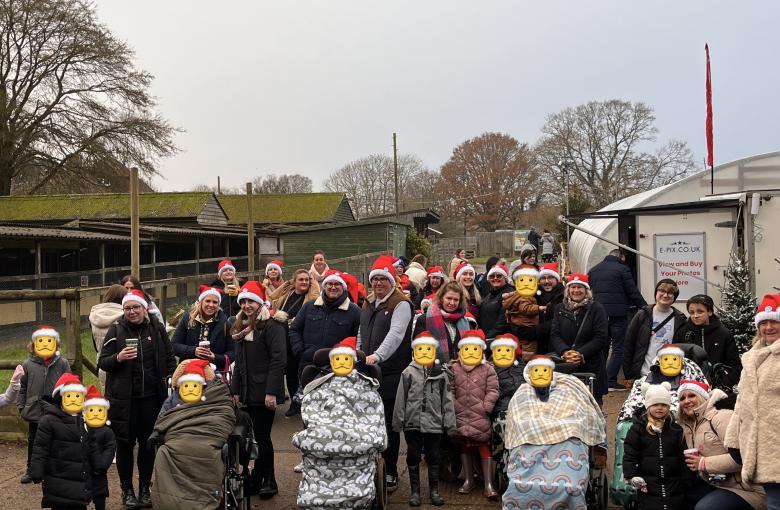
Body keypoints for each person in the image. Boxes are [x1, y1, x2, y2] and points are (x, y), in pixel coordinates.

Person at [98, 289, 176, 508]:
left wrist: (172, 378)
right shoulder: (116, 329)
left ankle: (144, 488)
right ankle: (127, 490)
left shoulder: (157, 328)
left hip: (151, 397)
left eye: (135, 307)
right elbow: (102, 362)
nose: (131, 312)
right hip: (124, 399)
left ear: (144, 308)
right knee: (124, 444)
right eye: (127, 308)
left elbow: (170, 358)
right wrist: (118, 357)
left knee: (147, 445)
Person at [359, 255, 414, 494]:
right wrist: (359, 355)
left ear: (392, 281)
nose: (379, 283)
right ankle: (372, 466)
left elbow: (396, 335)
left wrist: (377, 356)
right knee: (370, 421)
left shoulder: (400, 304)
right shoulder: (369, 303)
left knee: (389, 423)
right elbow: (362, 332)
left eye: (383, 279)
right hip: (368, 371)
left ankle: (390, 470)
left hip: (390, 372)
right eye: (375, 279)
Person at [230, 280, 286, 499]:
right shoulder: (241, 326)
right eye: (243, 301)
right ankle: (259, 477)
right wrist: (235, 389)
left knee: (263, 437)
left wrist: (272, 391)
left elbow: (278, 360)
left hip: (264, 391)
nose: (246, 305)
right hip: (247, 390)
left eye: (250, 301)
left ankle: (267, 479)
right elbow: (238, 362)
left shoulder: (272, 326)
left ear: (259, 302)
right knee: (253, 437)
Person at [725, 294, 780, 509]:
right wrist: (733, 440)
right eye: (764, 322)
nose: (768, 327)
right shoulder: (751, 357)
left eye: (774, 321)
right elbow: (742, 402)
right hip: (762, 448)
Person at [677, 380, 766, 510]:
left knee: (704, 508)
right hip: (718, 484)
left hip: (746, 489)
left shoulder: (721, 417)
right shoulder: (689, 425)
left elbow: (743, 458)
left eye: (692, 395)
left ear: (702, 397)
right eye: (682, 398)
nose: (686, 401)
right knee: (680, 499)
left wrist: (703, 463)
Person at [393, 332, 456, 506]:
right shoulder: (408, 373)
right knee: (413, 456)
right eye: (420, 349)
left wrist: (449, 422)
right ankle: (415, 492)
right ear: (415, 351)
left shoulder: (441, 374)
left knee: (433, 456)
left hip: (434, 422)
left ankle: (434, 491)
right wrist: (398, 421)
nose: (424, 352)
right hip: (412, 422)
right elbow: (401, 398)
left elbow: (447, 400)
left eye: (428, 349)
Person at [29, 373, 92, 510]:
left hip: (79, 479)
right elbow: (40, 448)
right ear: (60, 398)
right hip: (57, 477)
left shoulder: (84, 420)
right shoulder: (48, 421)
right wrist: (36, 470)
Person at [588, 249, 648, 391]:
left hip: (599, 315)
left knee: (602, 346)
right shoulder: (622, 269)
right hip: (618, 314)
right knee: (618, 347)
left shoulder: (594, 269)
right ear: (621, 257)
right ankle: (610, 381)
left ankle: (599, 379)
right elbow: (632, 291)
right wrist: (645, 308)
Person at [450, 329, 499, 500]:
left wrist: (487, 406)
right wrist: (455, 406)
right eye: (467, 348)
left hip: (480, 414)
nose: (471, 352)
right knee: (464, 443)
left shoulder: (487, 369)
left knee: (483, 444)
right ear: (461, 350)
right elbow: (449, 390)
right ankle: (469, 479)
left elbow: (493, 389)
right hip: (460, 413)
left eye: (475, 349)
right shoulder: (454, 368)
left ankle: (488, 484)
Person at [18, 326, 71, 484]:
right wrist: (22, 407)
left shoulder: (62, 363)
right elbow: (22, 388)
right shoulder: (27, 365)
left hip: (55, 409)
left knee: (57, 439)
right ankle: (31, 469)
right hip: (35, 410)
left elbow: (69, 385)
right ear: (33, 345)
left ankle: (57, 469)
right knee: (34, 440)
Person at [623, 382, 687, 510]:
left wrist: (686, 480)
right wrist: (631, 475)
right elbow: (630, 454)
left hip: (674, 484)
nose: (660, 408)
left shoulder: (675, 429)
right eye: (655, 404)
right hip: (648, 484)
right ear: (648, 406)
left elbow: (682, 455)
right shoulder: (638, 429)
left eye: (664, 405)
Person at [290, 269, 361, 381]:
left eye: (337, 284)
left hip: (338, 368)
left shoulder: (354, 311)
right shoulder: (309, 306)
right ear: (324, 286)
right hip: (309, 365)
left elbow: (359, 338)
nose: (333, 287)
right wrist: (300, 351)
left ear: (343, 287)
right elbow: (294, 329)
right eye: (330, 284)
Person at [268, 268, 320, 417]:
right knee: (290, 371)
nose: (304, 282)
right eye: (301, 279)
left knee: (303, 371)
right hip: (284, 336)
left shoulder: (312, 297)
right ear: (294, 282)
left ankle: (306, 402)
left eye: (306, 280)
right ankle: (294, 403)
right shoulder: (288, 294)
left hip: (302, 338)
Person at [549, 273, 609, 403]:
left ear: (586, 290)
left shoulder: (596, 308)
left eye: (580, 287)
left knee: (593, 404)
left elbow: (601, 336)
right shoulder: (559, 308)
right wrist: (565, 352)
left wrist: (580, 354)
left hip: (591, 364)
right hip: (566, 366)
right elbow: (555, 334)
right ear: (568, 290)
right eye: (573, 287)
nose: (576, 290)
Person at [623, 279, 686, 384]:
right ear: (656, 293)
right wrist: (628, 374)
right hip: (644, 374)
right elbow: (629, 343)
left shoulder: (680, 319)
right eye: (662, 291)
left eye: (670, 292)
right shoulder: (643, 315)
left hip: (670, 375)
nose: (665, 295)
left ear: (674, 297)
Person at [673, 294, 742, 387]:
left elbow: (735, 366)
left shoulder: (723, 333)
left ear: (709, 312)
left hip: (718, 390)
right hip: (689, 389)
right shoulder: (682, 333)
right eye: (691, 312)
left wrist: (722, 385)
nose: (695, 316)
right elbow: (674, 362)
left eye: (700, 311)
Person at [412, 281, 477, 363]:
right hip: (434, 372)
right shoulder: (424, 320)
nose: (452, 303)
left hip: (460, 371)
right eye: (449, 298)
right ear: (442, 298)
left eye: (456, 300)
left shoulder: (466, 322)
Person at [170, 285, 233, 370]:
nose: (211, 305)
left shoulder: (225, 324)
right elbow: (174, 346)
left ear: (218, 304)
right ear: (201, 302)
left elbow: (233, 353)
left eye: (215, 302)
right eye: (207, 301)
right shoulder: (187, 320)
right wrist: (193, 351)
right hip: (189, 371)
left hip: (215, 373)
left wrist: (215, 357)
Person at [83, 384, 117, 510]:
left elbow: (110, 449)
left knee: (99, 498)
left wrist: (102, 465)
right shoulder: (81, 429)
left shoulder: (107, 432)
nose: (96, 414)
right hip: (83, 471)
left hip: (99, 472)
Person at [535, 262, 565, 355]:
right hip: (536, 345)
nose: (546, 281)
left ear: (557, 279)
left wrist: (533, 331)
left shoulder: (564, 296)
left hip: (557, 346)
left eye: (550, 278)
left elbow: (559, 322)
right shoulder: (533, 296)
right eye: (543, 278)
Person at [479, 263, 513, 339]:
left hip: (499, 340)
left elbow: (503, 323)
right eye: (492, 276)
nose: (495, 278)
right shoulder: (490, 294)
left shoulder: (509, 294)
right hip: (486, 338)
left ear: (505, 278)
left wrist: (487, 338)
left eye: (499, 276)